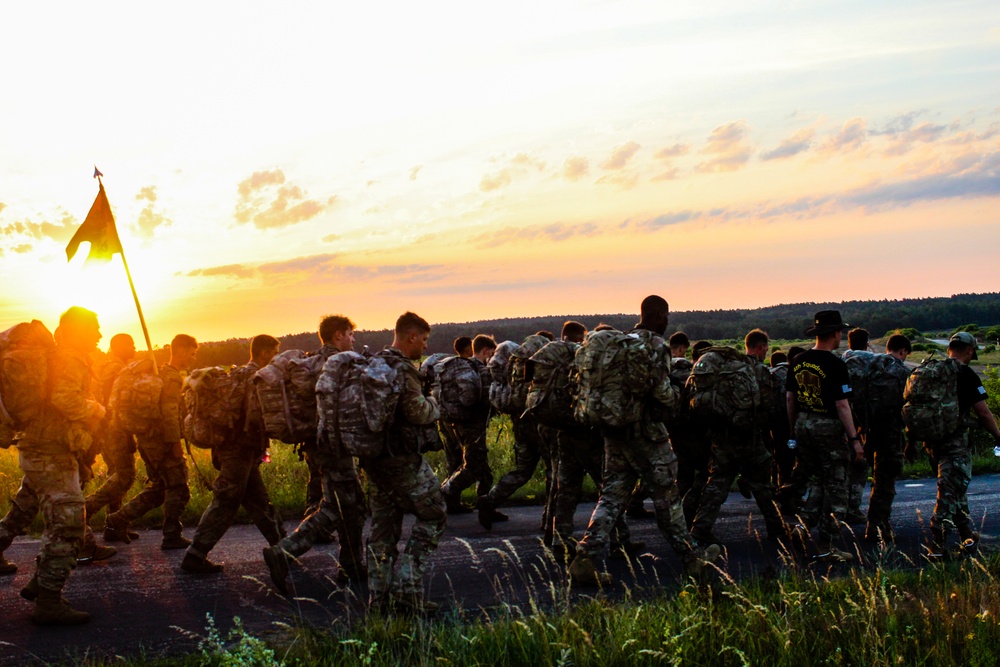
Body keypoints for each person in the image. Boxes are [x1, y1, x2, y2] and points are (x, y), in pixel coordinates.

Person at [568, 296, 720, 586]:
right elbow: (661, 392)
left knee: (611, 497)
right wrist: (678, 398)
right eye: (665, 316)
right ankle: (692, 560)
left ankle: (584, 558)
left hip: (615, 432)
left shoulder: (622, 341)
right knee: (667, 498)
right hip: (647, 435)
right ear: (659, 315)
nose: (666, 321)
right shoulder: (654, 345)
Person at [10, 307, 107, 624]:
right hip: (49, 453)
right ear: (77, 330)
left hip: (46, 450)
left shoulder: (64, 357)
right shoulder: (69, 358)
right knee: (67, 525)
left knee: (64, 522)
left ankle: (41, 585)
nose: (99, 334)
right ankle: (49, 603)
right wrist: (98, 409)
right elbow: (64, 399)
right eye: (93, 327)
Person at [263, 317, 369, 591]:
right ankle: (283, 553)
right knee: (339, 505)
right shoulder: (340, 364)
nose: (353, 340)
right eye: (350, 334)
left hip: (315, 444)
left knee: (351, 503)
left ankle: (352, 565)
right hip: (335, 446)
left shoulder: (311, 363)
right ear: (337, 335)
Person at [362, 312, 447, 614]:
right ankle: (408, 592)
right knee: (435, 513)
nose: (424, 347)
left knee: (383, 532)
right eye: (423, 340)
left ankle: (379, 601)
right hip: (402, 461)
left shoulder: (374, 363)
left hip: (374, 459)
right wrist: (435, 401)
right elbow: (418, 413)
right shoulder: (403, 370)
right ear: (411, 336)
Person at [182, 335, 285, 574]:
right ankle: (195, 555)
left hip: (238, 449)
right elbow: (253, 417)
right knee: (226, 500)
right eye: (274, 352)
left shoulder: (238, 373)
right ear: (263, 354)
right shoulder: (255, 377)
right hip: (239, 450)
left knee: (259, 501)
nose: (276, 357)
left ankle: (284, 547)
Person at [690, 329, 785, 546]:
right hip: (749, 438)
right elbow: (766, 408)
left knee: (716, 485)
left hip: (722, 437)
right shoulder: (759, 371)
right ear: (760, 348)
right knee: (761, 485)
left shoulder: (726, 368)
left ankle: (699, 530)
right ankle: (776, 529)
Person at [105, 334, 197, 549]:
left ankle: (118, 519)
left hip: (148, 439)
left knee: (160, 488)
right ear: (181, 351)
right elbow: (169, 411)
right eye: (192, 354)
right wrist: (175, 442)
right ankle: (171, 535)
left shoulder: (161, 372)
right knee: (178, 486)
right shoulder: (172, 377)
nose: (192, 358)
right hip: (161, 440)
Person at [784, 310, 862, 562]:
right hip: (828, 428)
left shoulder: (798, 360)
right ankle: (827, 546)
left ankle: (801, 527)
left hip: (804, 424)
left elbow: (790, 398)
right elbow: (842, 405)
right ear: (836, 333)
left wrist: (794, 428)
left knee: (818, 481)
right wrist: (854, 440)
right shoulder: (836, 364)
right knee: (838, 487)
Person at [919, 332, 1000, 558]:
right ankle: (936, 547)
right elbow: (983, 412)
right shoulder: (965, 374)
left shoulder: (930, 370)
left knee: (954, 491)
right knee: (948, 495)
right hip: (954, 444)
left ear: (950, 348)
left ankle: (967, 537)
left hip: (932, 442)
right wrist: (997, 434)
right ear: (970, 350)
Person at [477, 331, 557, 531]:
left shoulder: (515, 370)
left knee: (522, 470)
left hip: (520, 427)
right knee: (553, 470)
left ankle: (490, 500)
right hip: (539, 426)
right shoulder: (539, 369)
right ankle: (550, 519)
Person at [84, 333, 140, 540]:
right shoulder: (116, 370)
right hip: (113, 427)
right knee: (124, 476)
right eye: (131, 344)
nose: (134, 349)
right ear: (120, 347)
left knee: (116, 474)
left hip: (110, 427)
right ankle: (86, 509)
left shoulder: (111, 367)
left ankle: (113, 526)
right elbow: (114, 401)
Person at [862, 334, 912, 542]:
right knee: (884, 481)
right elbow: (910, 408)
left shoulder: (870, 367)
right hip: (890, 432)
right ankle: (877, 525)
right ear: (902, 351)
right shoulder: (903, 373)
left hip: (862, 429)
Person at [440, 334, 497, 514]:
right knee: (472, 467)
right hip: (473, 426)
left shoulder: (465, 366)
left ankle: (485, 507)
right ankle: (443, 493)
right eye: (492, 353)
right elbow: (482, 399)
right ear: (486, 351)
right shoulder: (480, 369)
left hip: (459, 422)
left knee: (483, 470)